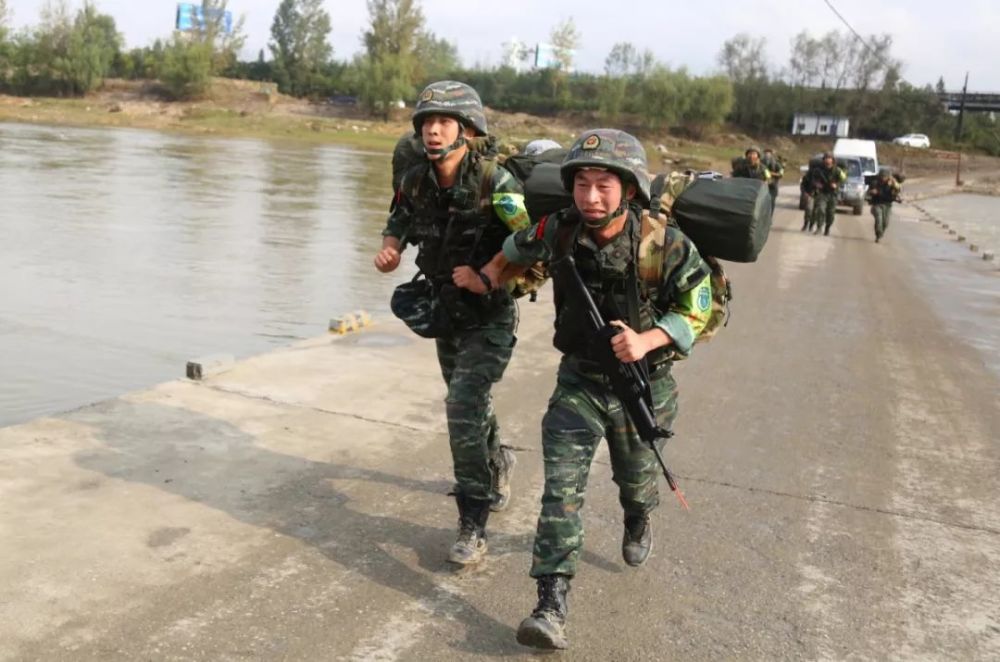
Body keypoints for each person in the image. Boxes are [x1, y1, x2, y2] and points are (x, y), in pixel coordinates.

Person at [475, 129, 713, 650]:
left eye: (603, 184)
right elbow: (515, 246)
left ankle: (637, 514)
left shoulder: (662, 243)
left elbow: (700, 304)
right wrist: (491, 273)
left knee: (635, 479)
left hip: (645, 386)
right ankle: (550, 604)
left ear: (628, 189)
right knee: (560, 491)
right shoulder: (558, 229)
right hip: (579, 379)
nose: (591, 197)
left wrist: (648, 339)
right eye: (582, 183)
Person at [374, 80, 529, 565]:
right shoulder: (417, 178)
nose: (433, 131)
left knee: (462, 402)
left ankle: (472, 523)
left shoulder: (492, 181)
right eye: (426, 123)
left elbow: (530, 239)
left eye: (443, 123)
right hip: (447, 311)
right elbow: (400, 213)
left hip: (490, 314)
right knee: (471, 402)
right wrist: (392, 248)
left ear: (465, 130)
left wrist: (488, 275)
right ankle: (498, 461)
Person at [805, 152, 846, 236]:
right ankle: (819, 227)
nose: (828, 160)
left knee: (830, 213)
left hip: (833, 194)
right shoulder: (818, 170)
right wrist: (817, 184)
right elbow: (812, 180)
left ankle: (827, 227)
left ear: (832, 160)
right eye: (826, 158)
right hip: (822, 193)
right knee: (820, 209)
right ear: (824, 160)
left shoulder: (837, 170)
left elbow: (843, 179)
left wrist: (836, 185)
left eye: (829, 158)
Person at [866, 166, 902, 243]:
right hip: (877, 204)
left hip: (887, 205)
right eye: (882, 176)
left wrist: (897, 196)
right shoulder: (875, 182)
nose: (883, 178)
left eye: (885, 177)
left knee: (885, 222)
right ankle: (878, 234)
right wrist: (872, 192)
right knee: (879, 219)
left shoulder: (892, 183)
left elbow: (898, 190)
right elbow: (868, 193)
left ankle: (880, 233)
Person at [762, 148, 784, 214]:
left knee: (771, 202)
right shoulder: (760, 162)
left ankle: (769, 217)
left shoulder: (776, 163)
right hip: (761, 185)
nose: (767, 154)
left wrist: (771, 173)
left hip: (772, 186)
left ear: (771, 154)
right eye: (766, 153)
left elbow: (781, 174)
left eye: (769, 153)